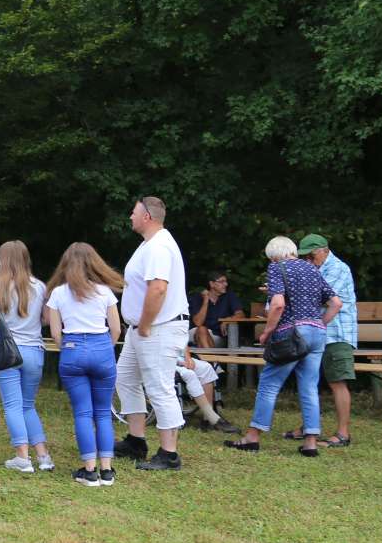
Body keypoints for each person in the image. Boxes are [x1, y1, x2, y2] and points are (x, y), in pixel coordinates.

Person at [225, 237, 342, 455]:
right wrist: (319, 324)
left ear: (274, 255)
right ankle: (310, 442)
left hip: (292, 332)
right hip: (317, 333)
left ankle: (252, 437)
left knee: (269, 384)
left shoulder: (277, 267)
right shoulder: (312, 269)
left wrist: (268, 331)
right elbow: (336, 303)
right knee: (309, 387)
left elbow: (278, 304)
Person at [114, 197, 191, 472]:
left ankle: (169, 454)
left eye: (133, 212)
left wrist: (145, 324)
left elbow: (158, 288)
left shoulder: (158, 246)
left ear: (147, 216)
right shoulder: (148, 245)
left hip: (157, 328)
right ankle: (136, 440)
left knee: (159, 386)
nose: (129, 216)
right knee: (125, 378)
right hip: (142, 329)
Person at [45, 243, 124, 487]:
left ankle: (89, 471)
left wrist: (69, 347)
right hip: (102, 348)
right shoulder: (105, 292)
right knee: (103, 412)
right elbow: (116, 329)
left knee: (82, 412)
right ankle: (107, 470)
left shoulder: (58, 293)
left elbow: (56, 332)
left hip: (72, 349)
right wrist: (104, 348)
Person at [0, 240, 54, 473]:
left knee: (12, 406)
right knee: (28, 405)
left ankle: (22, 456)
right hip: (34, 350)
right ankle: (43, 456)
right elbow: (46, 320)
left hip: (8, 352)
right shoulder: (39, 286)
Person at [289, 234, 357, 445]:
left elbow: (322, 297)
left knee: (337, 382)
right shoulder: (315, 268)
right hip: (317, 332)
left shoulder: (338, 268)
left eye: (310, 256)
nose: (307, 260)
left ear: (323, 250)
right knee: (309, 380)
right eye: (304, 257)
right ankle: (309, 427)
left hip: (337, 333)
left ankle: (343, 434)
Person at [177, 348, 237, 432]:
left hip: (179, 357)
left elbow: (183, 340)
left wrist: (188, 358)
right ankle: (213, 418)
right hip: (162, 361)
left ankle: (207, 419)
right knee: (190, 374)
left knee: (206, 368)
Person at [189, 270, 242, 348]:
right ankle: (211, 359)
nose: (226, 284)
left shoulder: (229, 296)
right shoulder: (198, 298)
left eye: (226, 281)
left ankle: (208, 359)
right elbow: (198, 323)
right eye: (222, 282)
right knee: (202, 330)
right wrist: (206, 301)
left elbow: (240, 314)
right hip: (196, 333)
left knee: (202, 339)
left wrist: (229, 319)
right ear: (212, 284)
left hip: (217, 336)